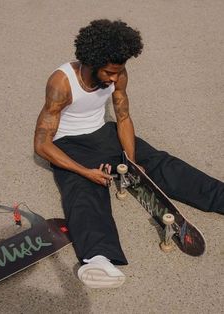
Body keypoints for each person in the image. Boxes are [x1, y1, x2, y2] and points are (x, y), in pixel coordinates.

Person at [34, 19, 224, 289]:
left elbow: (123, 118)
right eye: (109, 72)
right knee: (83, 190)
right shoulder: (61, 83)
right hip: (68, 144)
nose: (114, 78)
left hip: (104, 132)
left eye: (118, 71)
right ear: (91, 61)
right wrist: (84, 170)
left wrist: (132, 161)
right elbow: (42, 144)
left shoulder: (119, 73)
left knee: (161, 163)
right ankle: (98, 259)